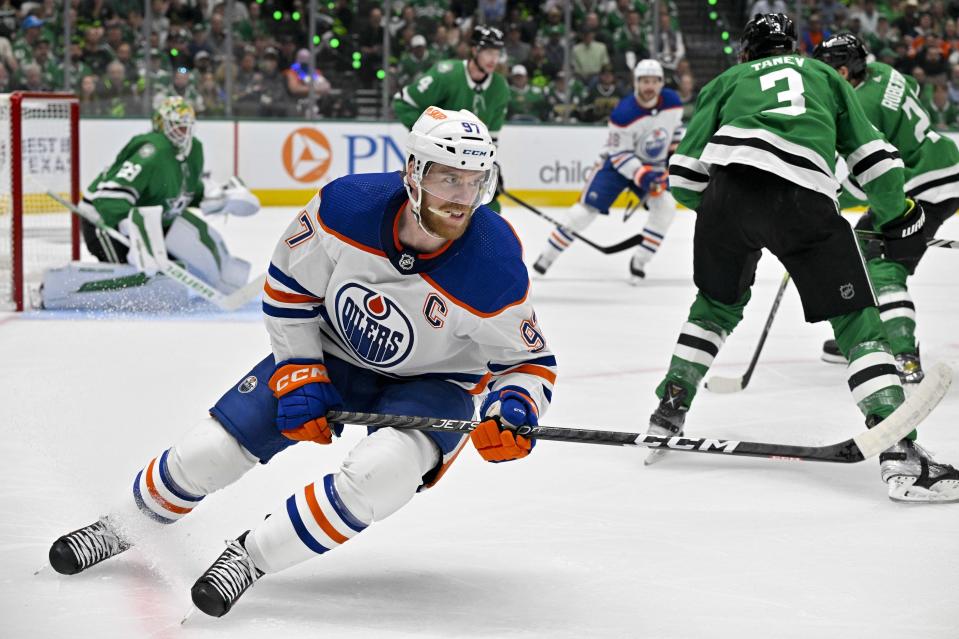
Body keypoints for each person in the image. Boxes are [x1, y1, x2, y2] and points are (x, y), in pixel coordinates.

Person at [46, 107, 558, 616]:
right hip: (332, 349)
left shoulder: (493, 260)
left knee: (382, 475)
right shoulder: (346, 206)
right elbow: (290, 290)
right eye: (449, 179)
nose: (462, 199)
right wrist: (298, 368)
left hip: (437, 378)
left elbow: (528, 363)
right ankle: (123, 525)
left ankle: (249, 558)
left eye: (475, 182)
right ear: (414, 174)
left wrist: (513, 408)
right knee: (212, 451)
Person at [650, 14, 958, 503]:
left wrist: (730, 210)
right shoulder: (822, 76)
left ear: (746, 53)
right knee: (857, 322)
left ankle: (670, 405)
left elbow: (685, 176)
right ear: (792, 47)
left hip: (725, 197)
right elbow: (875, 158)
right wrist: (897, 214)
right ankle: (899, 449)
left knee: (714, 305)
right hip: (801, 199)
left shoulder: (727, 80)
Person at [812, 34, 959, 388]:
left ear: (845, 72)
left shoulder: (859, 106)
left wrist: (822, 201)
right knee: (862, 247)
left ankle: (902, 353)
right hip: (940, 165)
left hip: (919, 184)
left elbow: (868, 172)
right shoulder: (882, 71)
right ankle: (873, 334)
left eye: (828, 73)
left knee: (884, 264)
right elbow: (910, 87)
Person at [41, 96, 259, 310]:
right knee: (154, 279)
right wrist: (133, 230)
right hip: (105, 222)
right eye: (176, 125)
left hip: (155, 223)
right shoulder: (152, 152)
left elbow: (182, 191)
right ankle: (62, 290)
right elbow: (110, 198)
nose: (182, 132)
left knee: (189, 245)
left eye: (186, 126)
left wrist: (216, 197)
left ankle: (226, 278)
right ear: (160, 124)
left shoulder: (194, 151)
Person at [532, 59, 683, 283]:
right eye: (644, 81)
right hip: (617, 165)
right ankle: (546, 257)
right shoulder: (623, 114)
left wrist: (671, 161)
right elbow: (620, 154)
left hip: (654, 166)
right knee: (582, 213)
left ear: (661, 83)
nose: (649, 86)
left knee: (666, 207)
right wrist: (643, 176)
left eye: (654, 81)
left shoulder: (672, 102)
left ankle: (640, 261)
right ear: (635, 83)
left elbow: (675, 131)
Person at [393, 25, 510, 211]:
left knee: (489, 209)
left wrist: (491, 163)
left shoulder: (500, 87)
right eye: (488, 52)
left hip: (471, 163)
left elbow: (492, 135)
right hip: (436, 160)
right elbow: (403, 102)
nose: (493, 59)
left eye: (497, 53)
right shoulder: (446, 74)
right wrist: (429, 135)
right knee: (423, 206)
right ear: (474, 50)